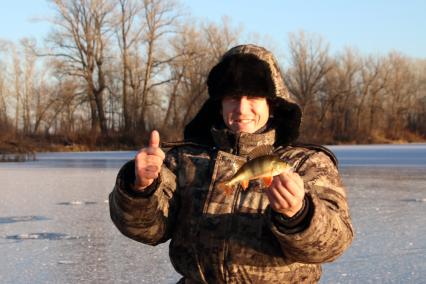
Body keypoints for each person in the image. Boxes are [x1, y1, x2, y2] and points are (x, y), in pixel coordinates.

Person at [109, 44, 354, 283]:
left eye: (254, 97)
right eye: (233, 97)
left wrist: (298, 214)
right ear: (220, 103)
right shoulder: (185, 160)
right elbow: (149, 231)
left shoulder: (307, 163)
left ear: (272, 103)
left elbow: (334, 245)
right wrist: (140, 189)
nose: (242, 108)